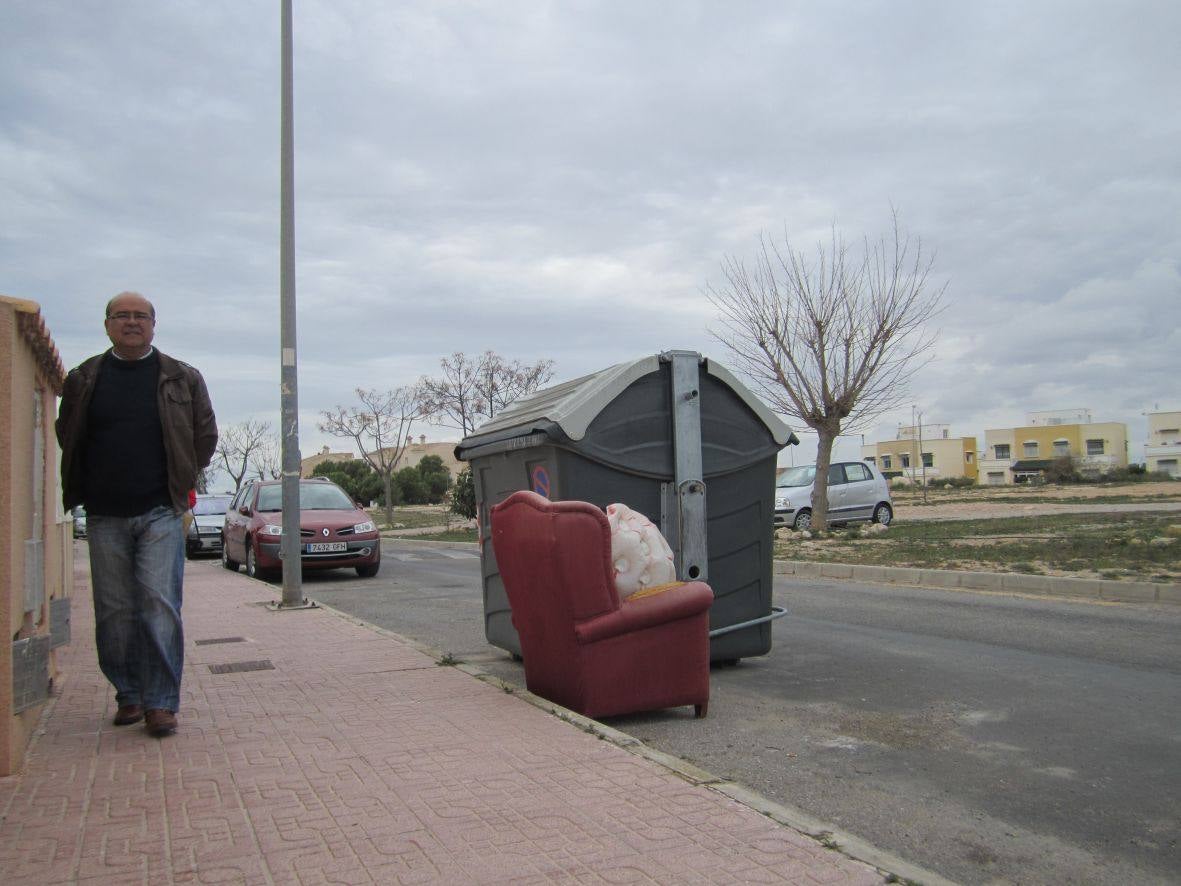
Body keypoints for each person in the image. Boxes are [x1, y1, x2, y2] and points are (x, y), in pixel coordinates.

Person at [56, 292, 217, 737]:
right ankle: (128, 693)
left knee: (159, 605)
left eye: (140, 316)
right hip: (104, 513)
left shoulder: (182, 378)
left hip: (161, 509)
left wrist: (180, 476)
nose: (132, 322)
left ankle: (161, 703)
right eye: (122, 316)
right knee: (114, 611)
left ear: (153, 325)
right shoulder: (85, 378)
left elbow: (205, 437)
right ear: (107, 324)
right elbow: (67, 433)